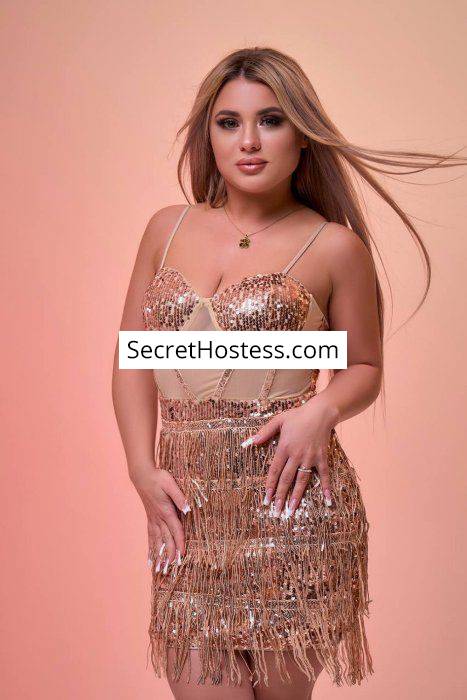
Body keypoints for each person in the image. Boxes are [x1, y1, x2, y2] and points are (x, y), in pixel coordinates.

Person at [112, 47, 465, 699]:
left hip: (292, 509)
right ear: (208, 135)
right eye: (228, 123)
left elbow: (362, 366)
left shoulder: (333, 246)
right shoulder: (165, 229)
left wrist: (319, 410)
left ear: (302, 136)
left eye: (270, 120)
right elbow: (134, 358)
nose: (248, 141)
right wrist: (140, 469)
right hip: (190, 517)